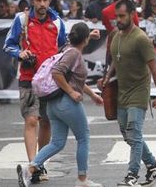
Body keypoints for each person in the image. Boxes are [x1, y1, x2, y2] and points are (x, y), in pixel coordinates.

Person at [17, 22, 103, 187]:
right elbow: (57, 73)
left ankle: (30, 168)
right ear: (85, 39)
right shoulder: (74, 54)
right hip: (67, 103)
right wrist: (71, 92)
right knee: (83, 138)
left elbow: (73, 79)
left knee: (57, 142)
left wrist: (92, 95)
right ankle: (82, 180)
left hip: (53, 105)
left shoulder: (66, 49)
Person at [4, 0, 67, 182]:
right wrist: (20, 53)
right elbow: (8, 45)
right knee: (32, 120)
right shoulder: (21, 20)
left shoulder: (57, 22)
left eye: (45, 0)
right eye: (38, 0)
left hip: (50, 81)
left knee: (46, 121)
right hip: (28, 78)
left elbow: (63, 47)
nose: (42, 4)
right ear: (32, 1)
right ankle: (33, 165)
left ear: (50, 1)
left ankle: (40, 164)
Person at [102, 0, 156, 186]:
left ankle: (132, 176)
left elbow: (154, 69)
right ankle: (153, 166)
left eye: (122, 16)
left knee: (134, 133)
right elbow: (116, 59)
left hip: (139, 92)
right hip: (122, 93)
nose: (118, 20)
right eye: (116, 16)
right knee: (127, 134)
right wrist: (107, 78)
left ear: (132, 14)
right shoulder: (116, 36)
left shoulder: (141, 39)